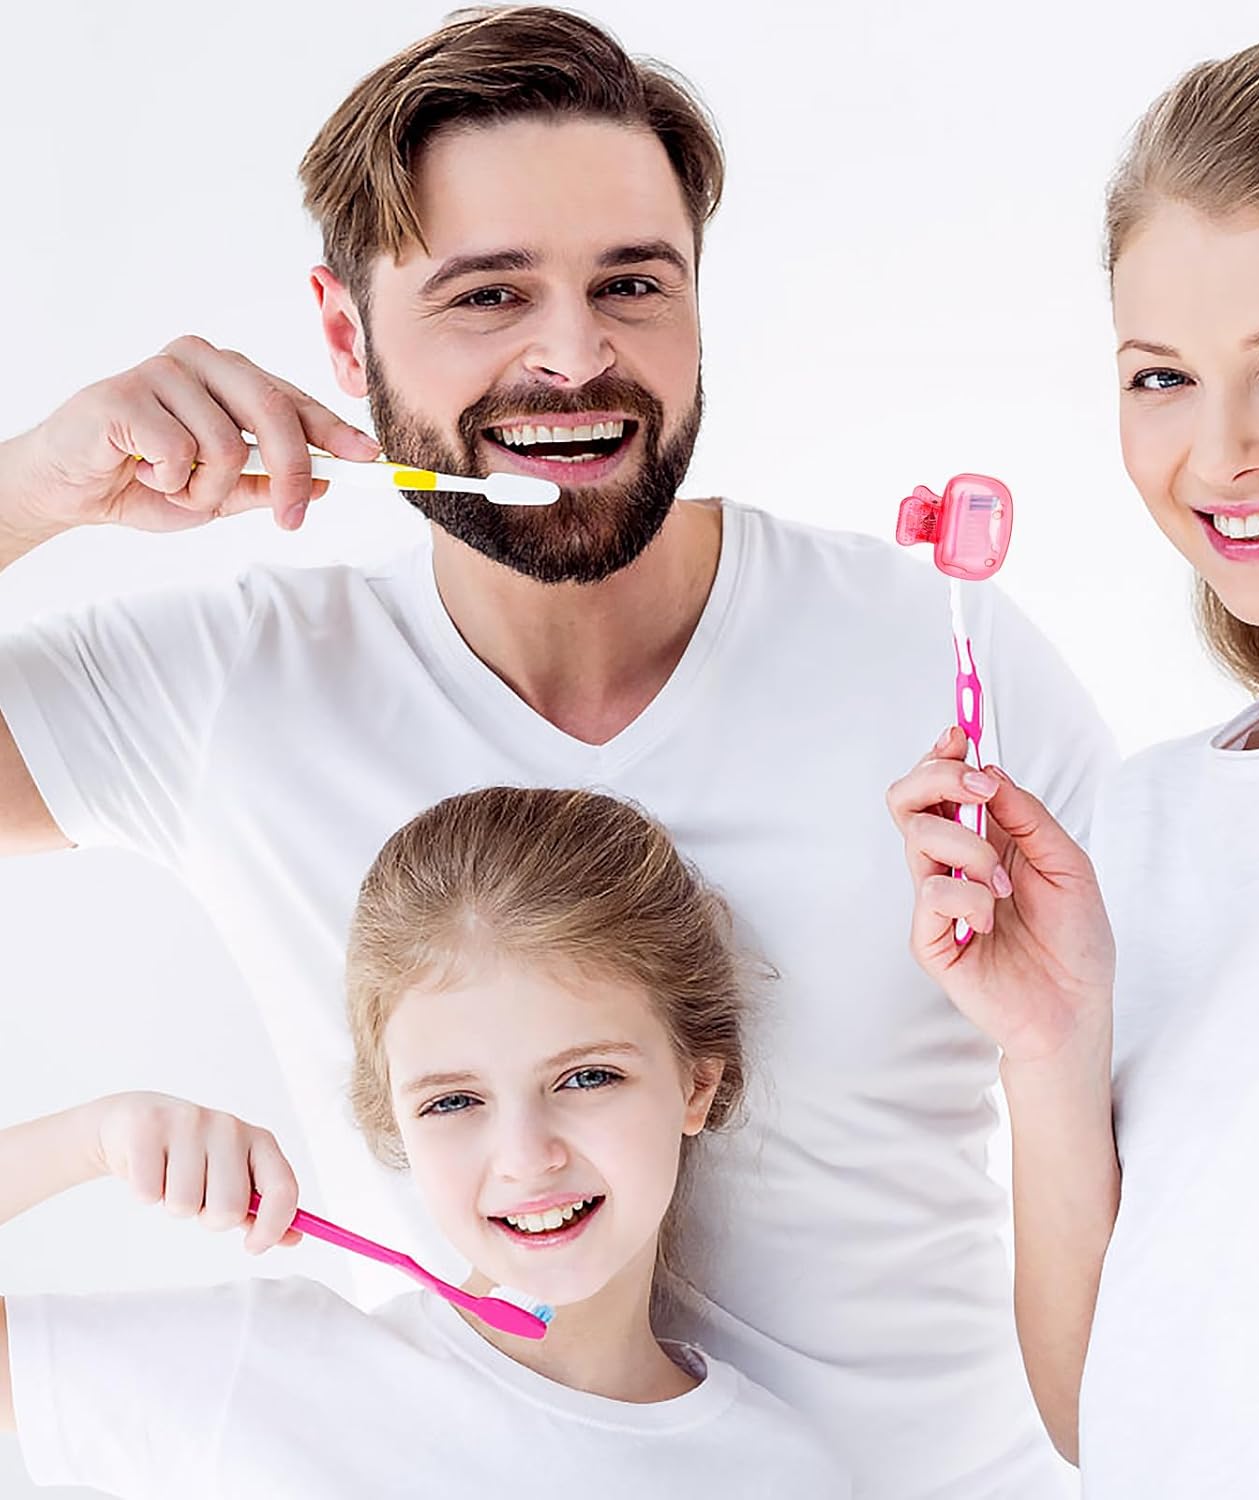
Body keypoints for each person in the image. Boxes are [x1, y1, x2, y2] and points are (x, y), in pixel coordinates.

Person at [0, 9, 1114, 1496]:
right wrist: (30, 492)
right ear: (345, 334)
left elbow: (1168, 1134)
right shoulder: (236, 687)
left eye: (632, 284)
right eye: (489, 295)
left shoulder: (943, 658)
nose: (577, 357)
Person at [887, 32, 1259, 1499]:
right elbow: (1112, 1416)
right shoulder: (1144, 821)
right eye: (1160, 377)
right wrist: (1052, 1044)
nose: (1219, 452)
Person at [0, 786, 851, 1497]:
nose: (525, 1155)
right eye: (454, 1101)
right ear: (394, 1119)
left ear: (695, 1085)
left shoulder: (783, 1474)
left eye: (587, 1078)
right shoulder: (263, 1374)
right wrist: (88, 1141)